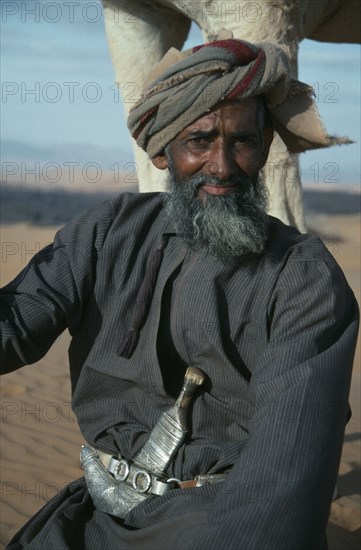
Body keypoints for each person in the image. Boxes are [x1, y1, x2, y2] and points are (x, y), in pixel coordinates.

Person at [1, 38, 359, 550]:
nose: (222, 166)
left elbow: (287, 475)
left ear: (264, 147)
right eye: (200, 140)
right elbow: (12, 329)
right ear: (163, 151)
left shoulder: (303, 277)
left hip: (221, 523)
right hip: (95, 515)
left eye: (243, 141)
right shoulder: (106, 233)